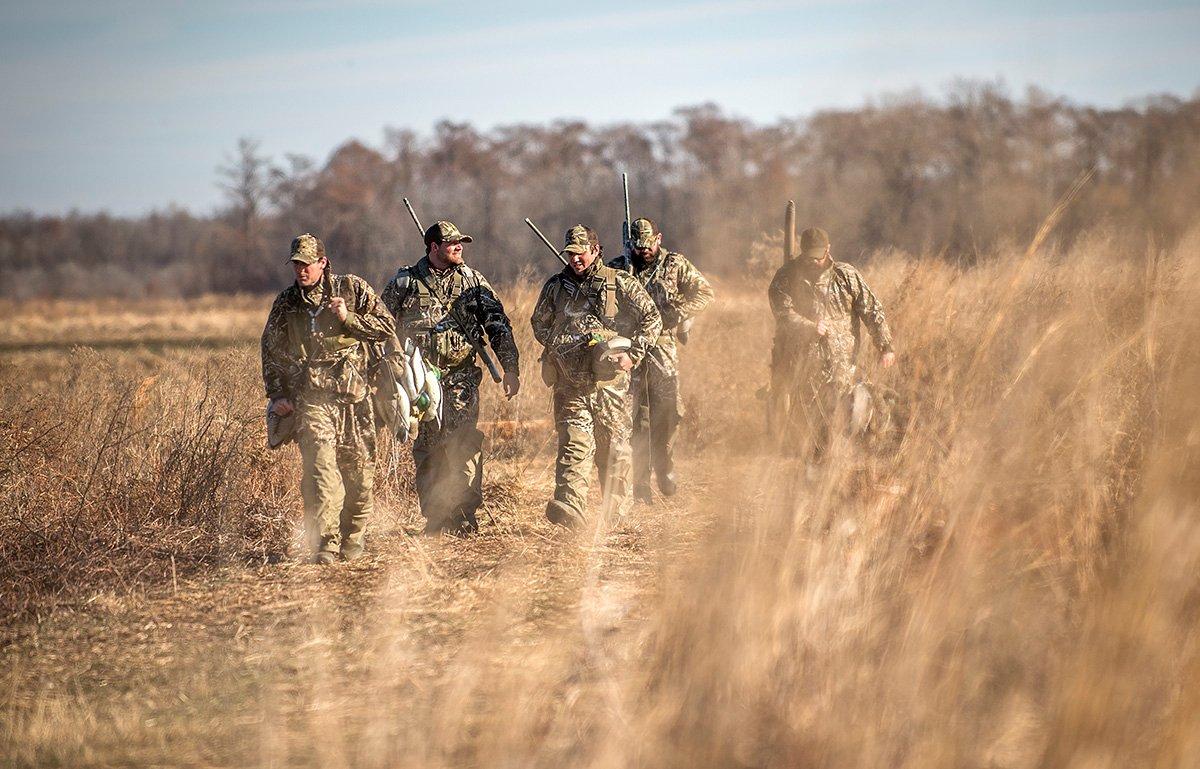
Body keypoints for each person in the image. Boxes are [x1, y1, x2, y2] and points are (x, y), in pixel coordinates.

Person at [261, 233, 396, 564]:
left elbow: (386, 328)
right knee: (322, 472)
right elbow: (271, 349)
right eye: (296, 264)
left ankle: (352, 537)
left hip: (356, 399)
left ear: (322, 262)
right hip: (312, 401)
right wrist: (277, 393)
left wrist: (347, 319)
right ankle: (326, 544)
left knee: (360, 477)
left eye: (306, 264)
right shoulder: (287, 303)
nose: (300, 271)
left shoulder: (352, 289)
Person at [381, 220, 520, 535]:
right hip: (419, 381)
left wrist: (510, 367)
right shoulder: (405, 283)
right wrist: (388, 370)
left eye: (461, 243)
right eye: (452, 243)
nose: (459, 247)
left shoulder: (473, 281)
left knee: (462, 445)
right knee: (429, 448)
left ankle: (464, 515)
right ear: (433, 247)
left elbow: (497, 324)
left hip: (461, 379)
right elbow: (382, 326)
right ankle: (436, 517)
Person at [531, 225, 662, 529]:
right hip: (570, 384)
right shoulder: (555, 287)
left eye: (581, 253)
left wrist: (633, 353)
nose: (575, 259)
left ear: (595, 250)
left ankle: (614, 518)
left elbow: (651, 318)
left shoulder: (620, 283)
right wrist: (560, 344)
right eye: (570, 254)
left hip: (611, 386)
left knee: (614, 450)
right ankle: (570, 509)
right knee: (574, 446)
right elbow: (539, 323)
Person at [609, 217, 713, 501]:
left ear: (659, 238)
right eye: (638, 246)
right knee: (635, 416)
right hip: (630, 349)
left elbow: (705, 293)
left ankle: (665, 466)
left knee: (667, 412)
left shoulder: (674, 264)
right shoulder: (619, 268)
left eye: (648, 245)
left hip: (662, 347)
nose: (644, 251)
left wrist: (676, 314)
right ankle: (639, 482)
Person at [767, 227, 896, 459]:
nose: (815, 261)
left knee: (850, 416)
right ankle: (816, 465)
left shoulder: (846, 276)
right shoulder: (786, 277)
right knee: (811, 431)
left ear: (828, 249)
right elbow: (782, 313)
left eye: (820, 255)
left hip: (844, 366)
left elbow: (872, 310)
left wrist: (885, 346)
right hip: (803, 368)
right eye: (810, 256)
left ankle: (850, 462)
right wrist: (807, 326)